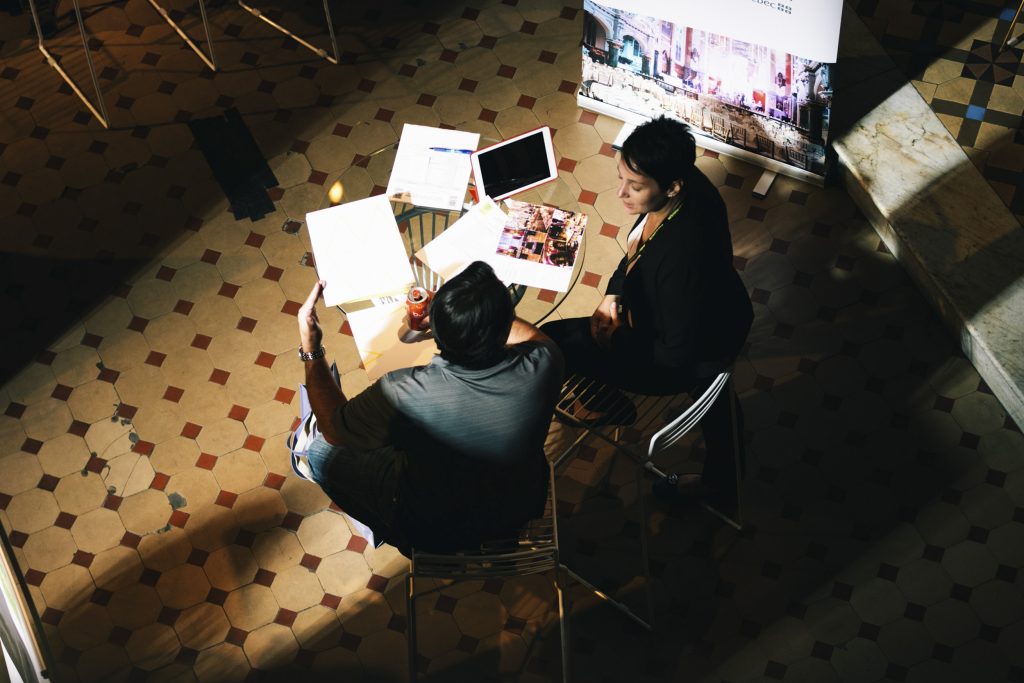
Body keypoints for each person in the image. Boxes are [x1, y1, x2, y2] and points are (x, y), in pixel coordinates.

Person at [541, 116, 753, 508]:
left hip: (681, 357)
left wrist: (615, 338)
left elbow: (675, 356)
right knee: (718, 401)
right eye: (620, 178)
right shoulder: (688, 188)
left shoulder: (680, 261)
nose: (620, 194)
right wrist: (614, 292)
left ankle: (607, 403)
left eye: (634, 187)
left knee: (551, 341)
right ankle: (727, 479)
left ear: (672, 186)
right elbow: (638, 250)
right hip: (723, 315)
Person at [297, 261, 564, 555]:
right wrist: (473, 318)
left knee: (319, 450)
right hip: (519, 505)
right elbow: (533, 335)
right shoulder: (546, 361)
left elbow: (335, 428)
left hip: (435, 530)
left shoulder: (402, 392)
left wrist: (311, 349)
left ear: (437, 333)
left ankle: (394, 532)